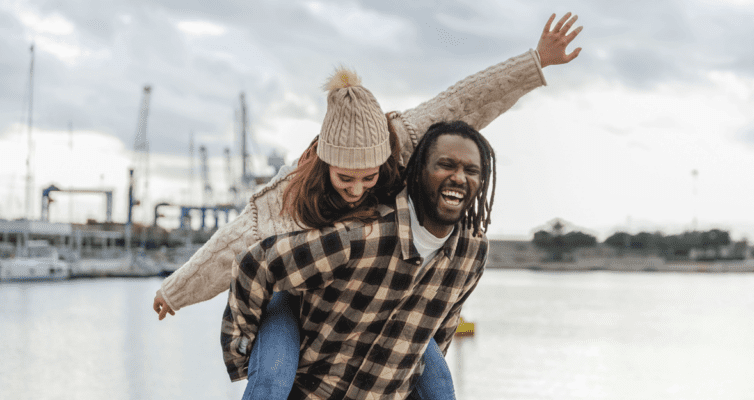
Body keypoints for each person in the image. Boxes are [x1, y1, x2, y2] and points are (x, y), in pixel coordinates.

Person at [154, 11, 583, 399]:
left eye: (369, 177)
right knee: (273, 378)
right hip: (297, 295)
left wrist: (536, 62)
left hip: (369, 295)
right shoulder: (288, 198)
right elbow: (231, 248)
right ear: (326, 163)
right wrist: (175, 292)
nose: (357, 189)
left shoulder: (406, 139)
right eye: (345, 179)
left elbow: (465, 102)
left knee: (437, 380)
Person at [222, 120, 496, 399]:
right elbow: (255, 263)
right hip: (308, 379)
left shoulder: (472, 251)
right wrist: (244, 349)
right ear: (418, 172)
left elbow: (442, 328)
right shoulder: (359, 236)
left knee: (441, 388)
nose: (459, 177)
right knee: (270, 383)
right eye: (445, 165)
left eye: (471, 170)